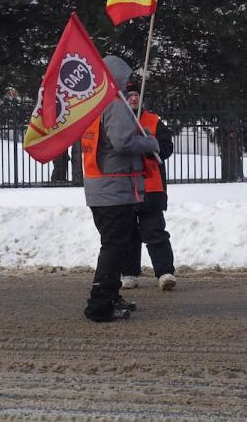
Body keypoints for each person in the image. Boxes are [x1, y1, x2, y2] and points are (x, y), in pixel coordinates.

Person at [79, 56, 159, 322]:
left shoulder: (93, 105)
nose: (129, 83)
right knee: (114, 247)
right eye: (126, 78)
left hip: (100, 188)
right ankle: (100, 305)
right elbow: (123, 143)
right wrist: (149, 143)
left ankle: (111, 296)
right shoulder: (115, 105)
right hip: (114, 188)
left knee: (116, 245)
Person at [120, 85, 177, 291]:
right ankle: (128, 273)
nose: (133, 99)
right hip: (125, 187)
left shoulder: (154, 121)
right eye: (129, 96)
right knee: (127, 233)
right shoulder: (116, 121)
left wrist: (149, 146)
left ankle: (164, 272)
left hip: (151, 186)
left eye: (136, 95)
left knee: (154, 231)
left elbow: (167, 148)